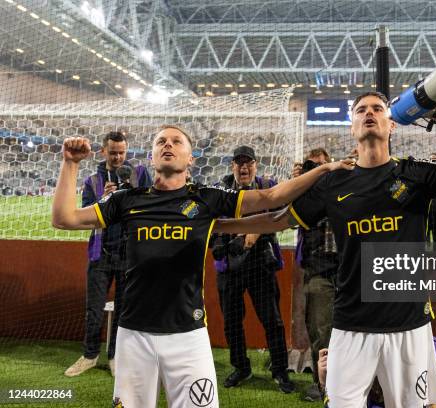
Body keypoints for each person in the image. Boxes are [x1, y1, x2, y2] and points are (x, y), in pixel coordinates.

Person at [215, 92, 436, 407]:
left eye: (377, 108)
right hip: (351, 324)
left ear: (391, 124)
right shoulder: (333, 183)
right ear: (352, 127)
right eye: (361, 110)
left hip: (409, 324)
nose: (369, 113)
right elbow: (278, 219)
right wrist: (217, 227)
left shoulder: (416, 173)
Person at [51, 125, 354, 408]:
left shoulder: (206, 199)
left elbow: (270, 197)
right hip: (133, 335)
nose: (168, 144)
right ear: (151, 157)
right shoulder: (126, 200)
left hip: (189, 335)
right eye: (161, 142)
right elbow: (64, 219)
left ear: (191, 159)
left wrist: (325, 169)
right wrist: (70, 163)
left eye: (176, 141)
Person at [64, 131, 152, 378]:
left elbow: (150, 204)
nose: (118, 157)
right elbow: (83, 216)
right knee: (94, 309)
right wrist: (103, 201)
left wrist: (131, 195)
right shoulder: (93, 181)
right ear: (103, 152)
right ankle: (90, 355)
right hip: (100, 253)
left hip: (130, 254)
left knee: (124, 309)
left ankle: (115, 356)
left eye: (122, 152)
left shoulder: (139, 174)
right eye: (113, 152)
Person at [211, 145, 294, 393]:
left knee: (272, 320)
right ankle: (241, 367)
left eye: (249, 163)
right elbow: (213, 223)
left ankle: (280, 371)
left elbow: (282, 213)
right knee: (232, 322)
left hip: (260, 263)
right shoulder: (220, 189)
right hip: (229, 264)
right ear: (232, 166)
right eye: (239, 163)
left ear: (256, 165)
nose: (244, 167)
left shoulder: (268, 185)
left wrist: (255, 232)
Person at [293, 148, 339, 402]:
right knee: (320, 330)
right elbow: (285, 213)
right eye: (314, 166)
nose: (319, 170)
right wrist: (297, 184)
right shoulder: (303, 191)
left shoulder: (341, 185)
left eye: (324, 165)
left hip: (348, 269)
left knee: (354, 329)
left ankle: (348, 380)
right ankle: (320, 384)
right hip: (318, 270)